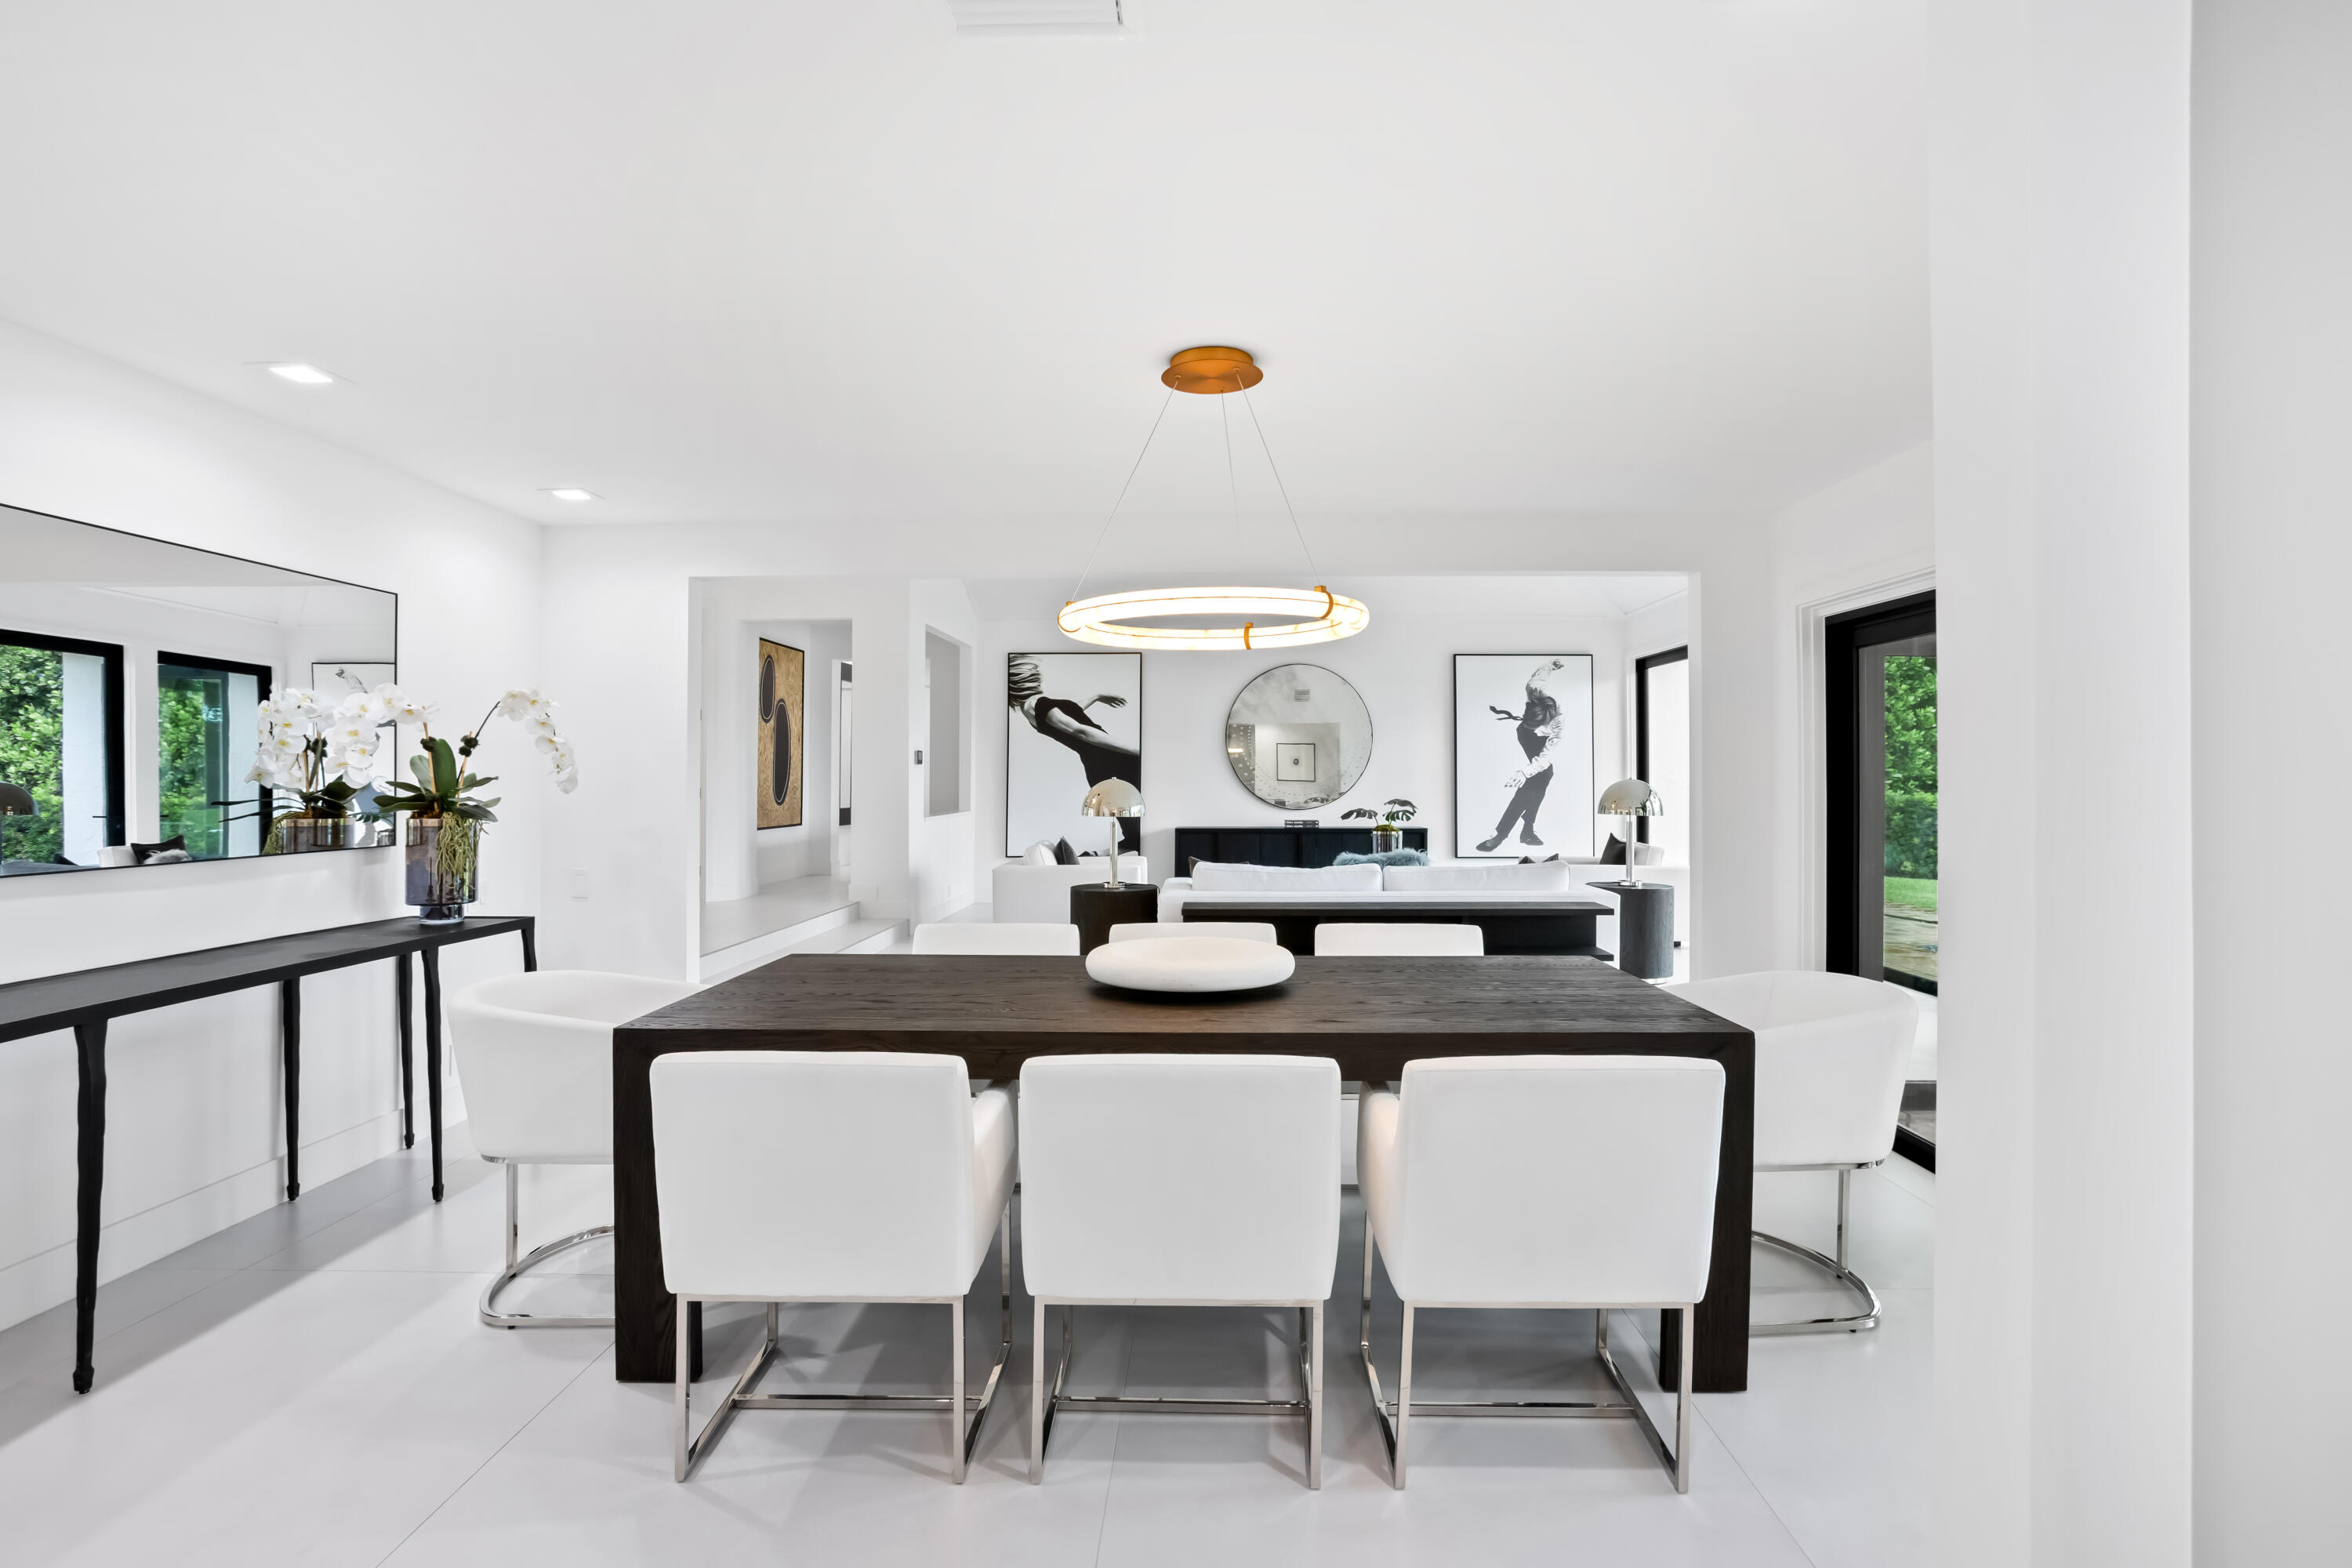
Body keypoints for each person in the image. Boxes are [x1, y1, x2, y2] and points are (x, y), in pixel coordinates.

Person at [1009, 657, 1142, 851]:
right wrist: (1139, 751)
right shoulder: (1040, 703)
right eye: (1035, 674)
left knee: (1134, 834)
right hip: (1113, 762)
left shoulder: (1029, 709)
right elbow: (1081, 731)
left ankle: (1097, 859)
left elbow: (1069, 714)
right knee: (1138, 833)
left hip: (1100, 768)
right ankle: (1096, 859)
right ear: (1025, 678)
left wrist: (1096, 696)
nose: (1038, 679)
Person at [1476, 658, 1568, 853]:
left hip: (1542, 751)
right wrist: (1551, 665)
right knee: (1538, 786)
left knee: (1531, 788)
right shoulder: (1535, 689)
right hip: (1525, 737)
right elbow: (1540, 676)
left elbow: (1544, 757)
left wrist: (1524, 772)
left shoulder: (1558, 727)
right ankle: (1527, 830)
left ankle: (1504, 834)